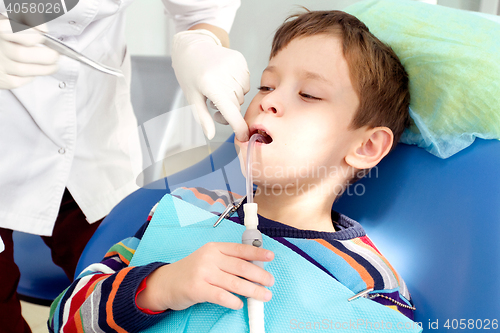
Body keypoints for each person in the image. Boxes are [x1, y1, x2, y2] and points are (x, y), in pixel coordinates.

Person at [48, 9, 416, 332]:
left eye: (309, 95)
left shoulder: (368, 284)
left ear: (366, 146)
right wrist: (159, 286)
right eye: (266, 85)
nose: (268, 100)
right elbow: (63, 318)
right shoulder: (186, 210)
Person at [0, 1, 250, 332]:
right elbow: (71, 317)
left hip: (91, 139)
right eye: (268, 85)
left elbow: (201, 13)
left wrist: (202, 40)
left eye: (308, 94)